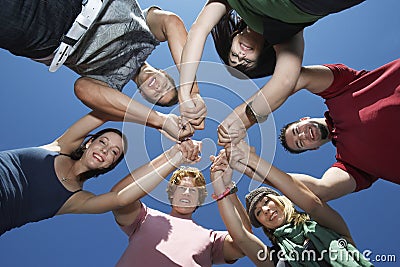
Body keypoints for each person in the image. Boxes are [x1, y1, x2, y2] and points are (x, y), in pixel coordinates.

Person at [0, 0, 204, 140]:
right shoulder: (148, 33)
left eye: (157, 95)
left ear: (142, 94)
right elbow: (171, 22)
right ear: (163, 72)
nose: (158, 87)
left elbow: (82, 89)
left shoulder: (110, 84)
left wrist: (161, 121)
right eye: (166, 85)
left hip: (44, 36)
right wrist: (190, 91)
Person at [175, 0, 365, 142]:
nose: (240, 57)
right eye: (246, 63)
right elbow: (285, 80)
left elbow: (199, 30)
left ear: (232, 38)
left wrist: (184, 93)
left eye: (234, 56)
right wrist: (242, 119)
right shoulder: (285, 35)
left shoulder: (227, 4)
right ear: (262, 58)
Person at [0, 109, 198, 236]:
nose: (105, 150)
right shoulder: (59, 146)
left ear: (109, 165)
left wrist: (175, 157)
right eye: (103, 142)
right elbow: (104, 112)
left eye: (114, 152)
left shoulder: (78, 200)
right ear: (88, 143)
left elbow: (121, 198)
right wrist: (159, 122)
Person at [210, 142, 372, 266]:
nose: (265, 210)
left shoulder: (327, 227)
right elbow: (242, 238)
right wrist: (221, 185)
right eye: (258, 213)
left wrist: (250, 160)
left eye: (267, 201)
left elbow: (312, 203)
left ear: (282, 201)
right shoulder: (274, 258)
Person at [277, 58, 400, 201]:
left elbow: (301, 77)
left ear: (304, 119)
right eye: (300, 143)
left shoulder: (339, 90)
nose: (303, 135)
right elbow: (321, 190)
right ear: (313, 148)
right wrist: (257, 167)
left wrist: (253, 113)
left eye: (297, 131)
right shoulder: (351, 165)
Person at [111, 160, 249, 266]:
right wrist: (171, 159)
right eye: (182, 188)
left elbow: (246, 243)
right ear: (172, 194)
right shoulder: (145, 216)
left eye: (193, 190)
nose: (187, 193)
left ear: (199, 200)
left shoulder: (211, 238)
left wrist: (227, 187)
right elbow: (118, 197)